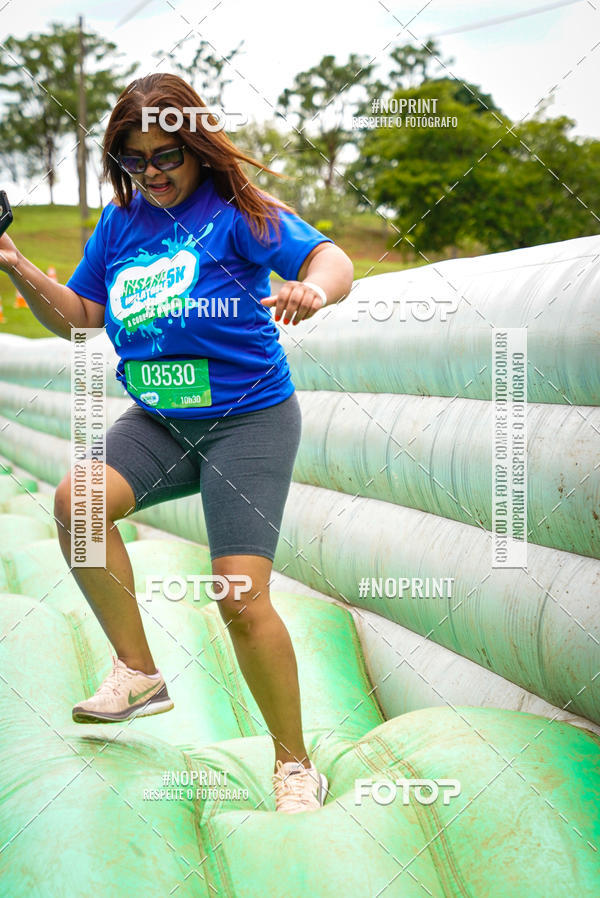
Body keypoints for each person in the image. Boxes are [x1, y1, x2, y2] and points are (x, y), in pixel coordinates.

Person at [0, 73, 353, 814]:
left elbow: (330, 260)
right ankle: (138, 672)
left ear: (195, 147)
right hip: (160, 418)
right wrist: (19, 266)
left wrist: (312, 290)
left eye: (166, 155)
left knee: (238, 595)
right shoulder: (120, 223)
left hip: (248, 419)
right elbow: (82, 317)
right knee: (78, 502)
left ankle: (295, 768)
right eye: (134, 158)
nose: (152, 171)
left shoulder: (238, 213)